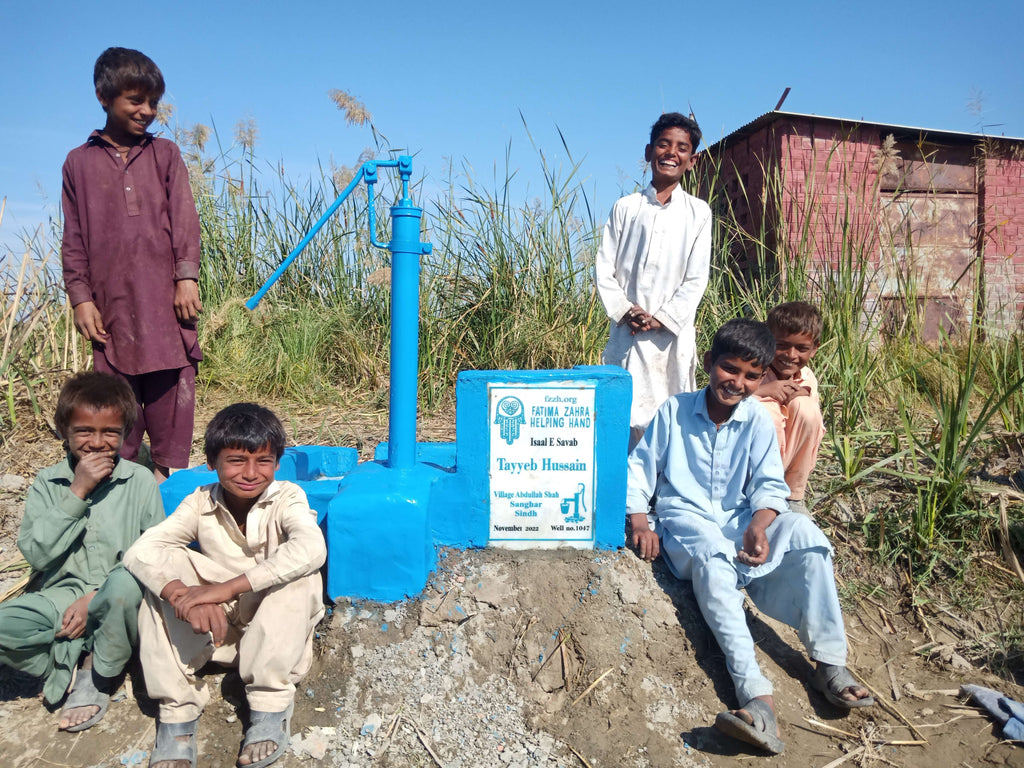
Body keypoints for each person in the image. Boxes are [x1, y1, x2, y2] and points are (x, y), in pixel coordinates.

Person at [627, 319, 872, 755]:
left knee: (804, 533)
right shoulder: (674, 411)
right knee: (712, 557)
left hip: (737, 523)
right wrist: (640, 522)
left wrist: (759, 525)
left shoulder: (757, 420)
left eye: (750, 376)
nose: (737, 382)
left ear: (761, 379)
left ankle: (830, 663)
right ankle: (757, 700)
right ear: (709, 364)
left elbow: (768, 486)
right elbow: (641, 472)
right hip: (687, 525)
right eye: (730, 369)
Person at [125, 403, 326, 768]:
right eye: (235, 461)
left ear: (277, 464)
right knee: (161, 567)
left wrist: (225, 589)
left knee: (300, 572)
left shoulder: (288, 497)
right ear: (211, 462)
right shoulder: (199, 500)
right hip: (216, 631)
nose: (250, 473)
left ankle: (269, 704)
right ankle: (177, 712)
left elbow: (312, 547)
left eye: (263, 461)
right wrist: (181, 594)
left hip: (275, 631)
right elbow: (140, 551)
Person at [61, 47, 202, 484]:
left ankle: (165, 480)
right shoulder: (78, 163)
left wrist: (186, 276)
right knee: (116, 394)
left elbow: (184, 219)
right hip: (112, 306)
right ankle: (116, 487)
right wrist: (81, 299)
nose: (147, 112)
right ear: (104, 97)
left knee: (170, 391)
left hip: (165, 301)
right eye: (135, 101)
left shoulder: (165, 154)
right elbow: (74, 239)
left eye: (153, 103)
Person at [0, 372, 164, 732]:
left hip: (119, 596)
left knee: (121, 589)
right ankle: (67, 656)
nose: (97, 442)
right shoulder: (48, 483)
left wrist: (95, 598)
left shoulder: (139, 480)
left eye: (110, 432)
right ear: (64, 430)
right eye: (84, 431)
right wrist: (77, 491)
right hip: (62, 597)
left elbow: (154, 555)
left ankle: (96, 671)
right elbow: (37, 554)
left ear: (125, 434)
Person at [595, 112, 712, 449]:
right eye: (664, 144)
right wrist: (625, 310)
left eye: (681, 148)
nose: (671, 153)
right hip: (627, 330)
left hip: (671, 335)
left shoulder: (698, 213)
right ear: (649, 152)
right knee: (625, 410)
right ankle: (629, 491)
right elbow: (605, 268)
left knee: (672, 411)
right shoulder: (625, 208)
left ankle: (665, 488)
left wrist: (662, 317)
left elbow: (696, 277)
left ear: (692, 160)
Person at [756, 301, 825, 516]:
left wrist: (802, 395)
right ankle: (759, 492)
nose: (791, 355)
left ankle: (793, 494)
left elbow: (810, 422)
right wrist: (765, 390)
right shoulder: (752, 369)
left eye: (802, 348)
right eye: (782, 345)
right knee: (766, 412)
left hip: (785, 467)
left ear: (814, 349)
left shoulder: (806, 378)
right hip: (750, 469)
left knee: (807, 408)